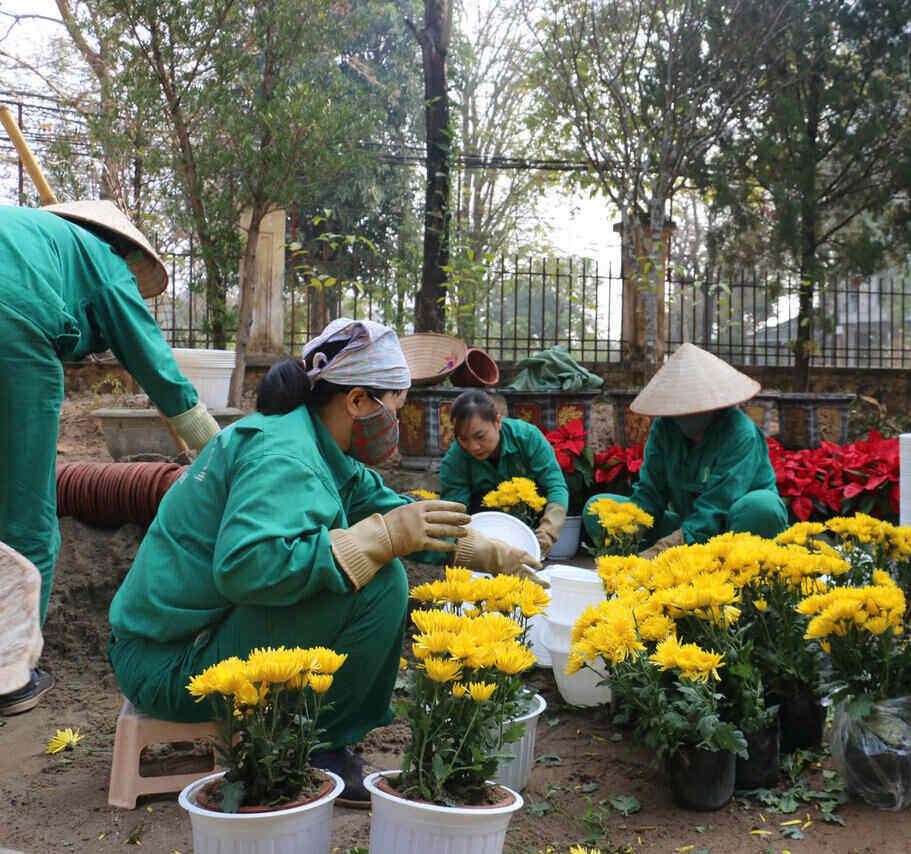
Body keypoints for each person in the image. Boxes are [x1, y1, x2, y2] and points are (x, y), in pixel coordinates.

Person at [108, 319, 540, 805]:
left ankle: (308, 731)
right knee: (379, 584)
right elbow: (247, 566)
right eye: (394, 406)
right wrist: (377, 542)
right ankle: (322, 748)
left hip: (188, 637)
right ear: (356, 401)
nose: (397, 421)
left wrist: (476, 549)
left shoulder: (313, 444)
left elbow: (387, 508)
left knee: (375, 565)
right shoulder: (284, 454)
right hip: (168, 663)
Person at [0, 201, 221, 716]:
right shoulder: (104, 262)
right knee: (27, 513)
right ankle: (9, 674)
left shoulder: (31, 234)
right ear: (124, 250)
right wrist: (225, 451)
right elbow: (159, 370)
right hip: (12, 328)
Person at [583, 342, 788, 558]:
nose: (684, 414)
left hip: (733, 528)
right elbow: (649, 493)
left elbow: (717, 506)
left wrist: (665, 549)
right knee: (599, 508)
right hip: (688, 524)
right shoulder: (664, 428)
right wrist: (629, 530)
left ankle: (730, 572)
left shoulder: (740, 432)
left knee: (762, 507)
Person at [439, 389, 569, 558]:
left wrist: (547, 532)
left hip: (531, 520)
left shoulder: (528, 437)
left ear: (498, 422)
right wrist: (465, 551)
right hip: (483, 529)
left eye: (480, 436)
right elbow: (455, 513)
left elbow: (556, 487)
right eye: (463, 439)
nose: (473, 447)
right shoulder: (454, 460)